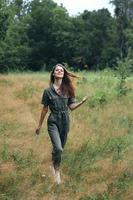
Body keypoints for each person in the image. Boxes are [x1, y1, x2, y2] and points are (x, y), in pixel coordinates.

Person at [35, 64, 89, 184]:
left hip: (65, 121)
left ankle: (53, 165)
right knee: (58, 148)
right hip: (53, 120)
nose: (59, 71)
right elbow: (44, 109)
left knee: (60, 148)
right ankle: (57, 171)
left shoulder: (68, 89)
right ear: (53, 73)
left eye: (61, 70)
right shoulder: (47, 91)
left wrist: (82, 102)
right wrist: (39, 126)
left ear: (63, 74)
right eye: (57, 70)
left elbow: (72, 107)